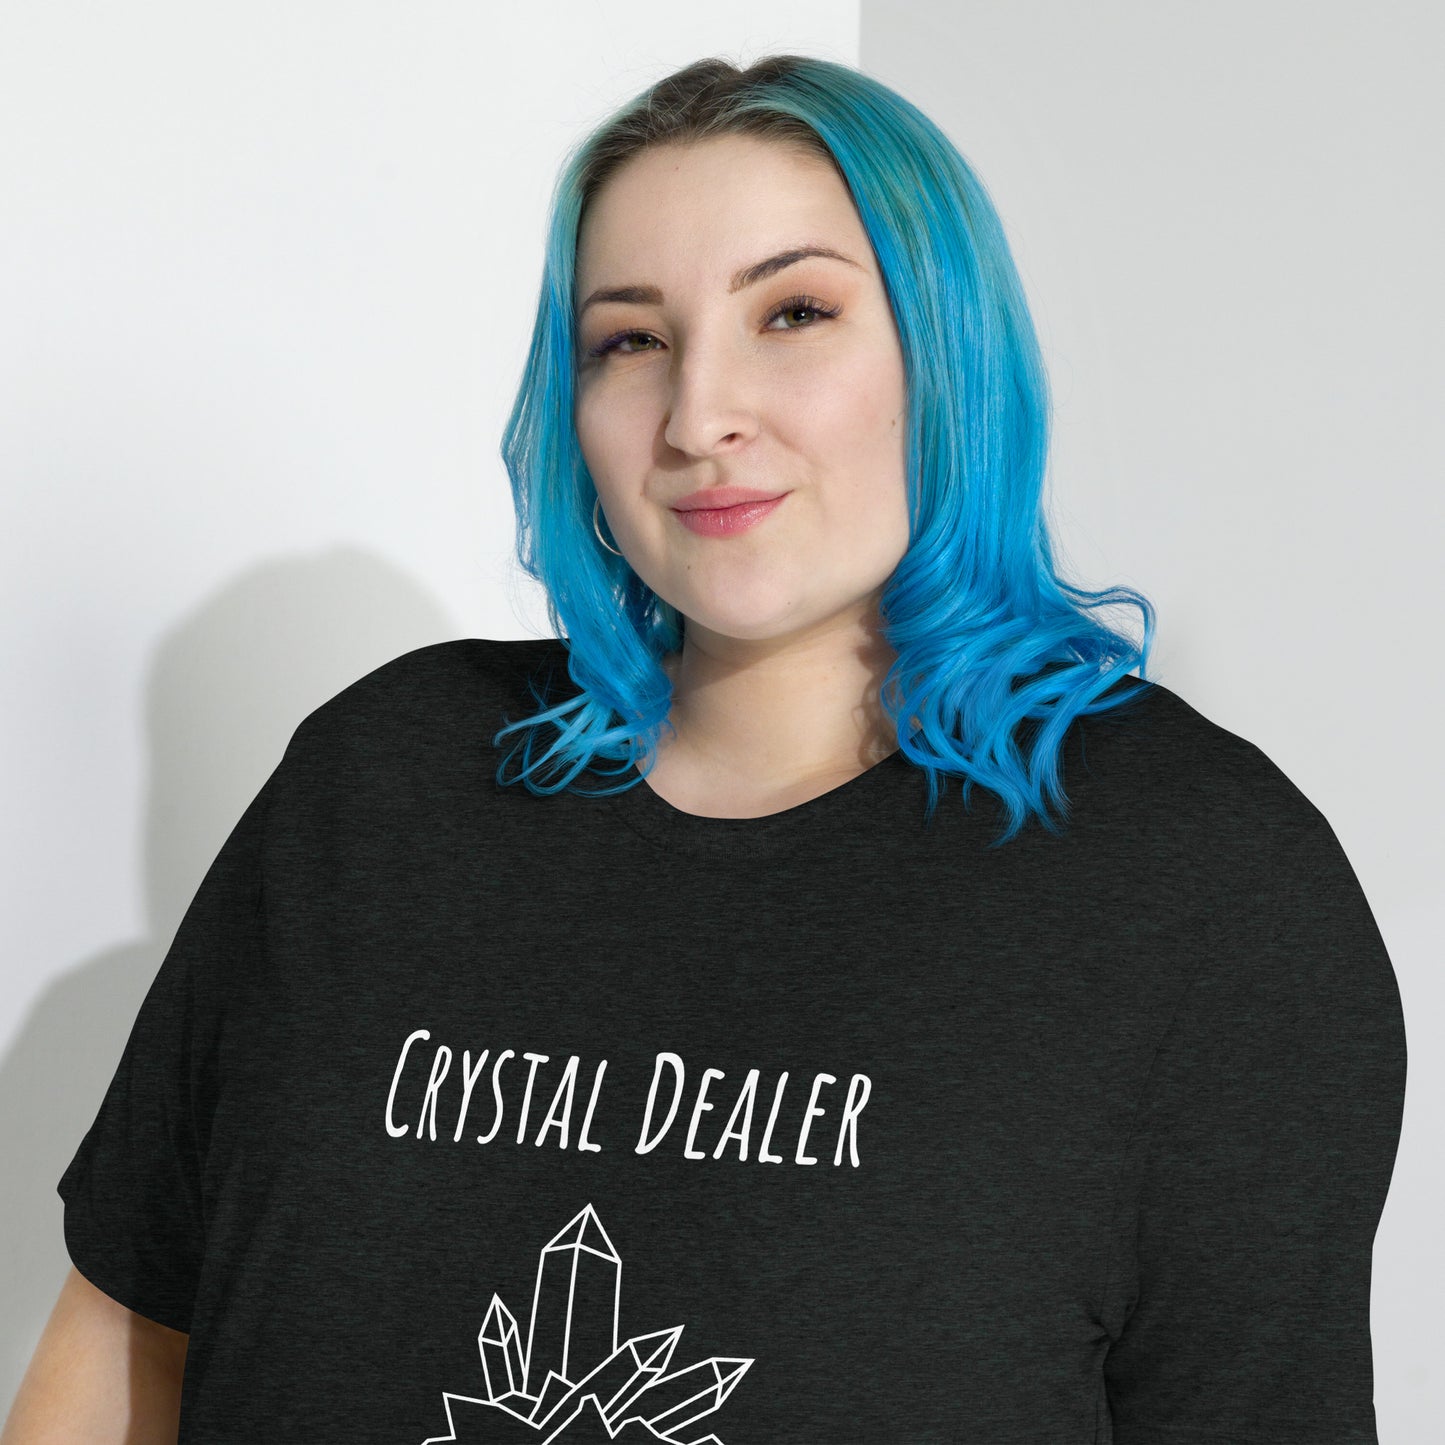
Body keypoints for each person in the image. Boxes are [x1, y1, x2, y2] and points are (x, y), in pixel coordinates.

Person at [4, 54, 1406, 1445]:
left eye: (793, 313)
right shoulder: (378, 785)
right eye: (630, 340)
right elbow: (127, 1340)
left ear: (949, 353)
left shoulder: (1202, 884)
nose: (698, 418)